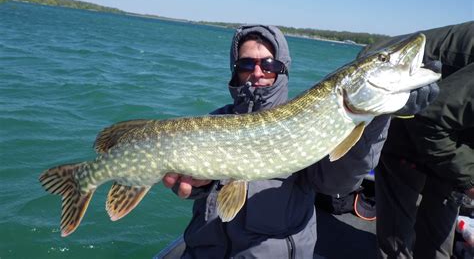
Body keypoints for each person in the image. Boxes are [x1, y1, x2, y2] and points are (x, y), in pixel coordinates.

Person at [161, 24, 437, 258]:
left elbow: (336, 183)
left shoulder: (322, 119)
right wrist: (201, 184)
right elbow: (199, 189)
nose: (257, 73)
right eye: (246, 64)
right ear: (235, 70)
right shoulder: (216, 120)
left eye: (269, 65)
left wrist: (379, 117)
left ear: (282, 70)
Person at [360, 21, 473, 258]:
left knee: (438, 234)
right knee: (397, 238)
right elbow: (430, 118)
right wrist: (470, 179)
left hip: (449, 126)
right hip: (401, 104)